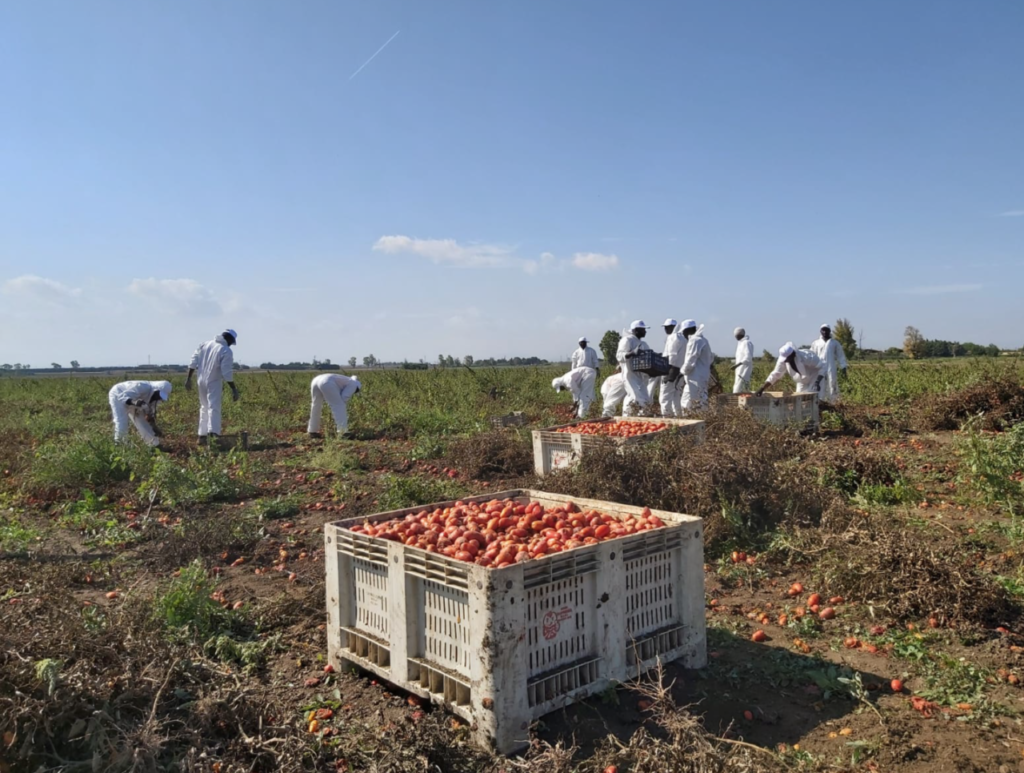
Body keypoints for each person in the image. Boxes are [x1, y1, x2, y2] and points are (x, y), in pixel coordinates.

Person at [185, 329, 239, 444]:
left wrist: (189, 378)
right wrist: (233, 388)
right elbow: (226, 372)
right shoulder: (225, 350)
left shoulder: (205, 344)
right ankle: (213, 435)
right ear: (229, 339)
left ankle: (202, 436)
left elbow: (193, 361)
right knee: (214, 407)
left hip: (200, 380)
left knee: (204, 407)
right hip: (213, 381)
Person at [108, 380, 172, 447]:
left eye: (161, 397)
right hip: (118, 395)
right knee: (122, 422)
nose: (159, 398)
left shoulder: (155, 399)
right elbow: (123, 396)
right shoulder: (143, 386)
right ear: (156, 390)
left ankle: (154, 445)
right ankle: (119, 445)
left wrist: (153, 426)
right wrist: (134, 402)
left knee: (143, 423)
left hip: (136, 402)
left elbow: (149, 412)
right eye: (159, 395)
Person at [756, 343, 824, 396]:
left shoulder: (806, 356)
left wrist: (817, 382)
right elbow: (775, 374)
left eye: (787, 358)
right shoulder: (782, 361)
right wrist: (762, 388)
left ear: (792, 355)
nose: (785, 361)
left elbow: (822, 367)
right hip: (801, 381)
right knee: (799, 398)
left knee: (813, 397)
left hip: (815, 377)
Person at [675, 320, 713, 410]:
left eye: (684, 332)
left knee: (691, 403)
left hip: (695, 378)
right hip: (701, 377)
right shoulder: (703, 340)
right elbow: (711, 358)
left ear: (688, 330)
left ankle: (694, 421)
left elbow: (690, 361)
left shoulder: (694, 341)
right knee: (696, 402)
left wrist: (681, 373)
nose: (684, 335)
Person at [616, 320, 651, 414]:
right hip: (630, 373)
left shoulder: (643, 344)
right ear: (635, 330)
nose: (645, 331)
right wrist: (632, 353)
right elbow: (619, 356)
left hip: (641, 374)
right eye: (643, 329)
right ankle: (629, 418)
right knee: (635, 396)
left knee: (643, 397)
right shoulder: (627, 340)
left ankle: (632, 417)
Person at [810, 324, 848, 402]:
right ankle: (820, 403)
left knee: (832, 383)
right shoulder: (815, 343)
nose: (824, 332)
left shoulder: (834, 343)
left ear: (829, 331)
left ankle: (833, 403)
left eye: (826, 330)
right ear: (820, 331)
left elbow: (840, 356)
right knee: (819, 385)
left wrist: (843, 367)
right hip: (819, 368)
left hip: (831, 367)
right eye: (823, 330)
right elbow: (811, 356)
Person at [731, 327, 754, 393]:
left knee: (741, 385)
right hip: (739, 369)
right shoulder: (740, 343)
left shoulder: (746, 343)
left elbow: (748, 357)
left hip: (744, 368)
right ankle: (740, 401)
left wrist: (737, 365)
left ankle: (743, 401)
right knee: (738, 385)